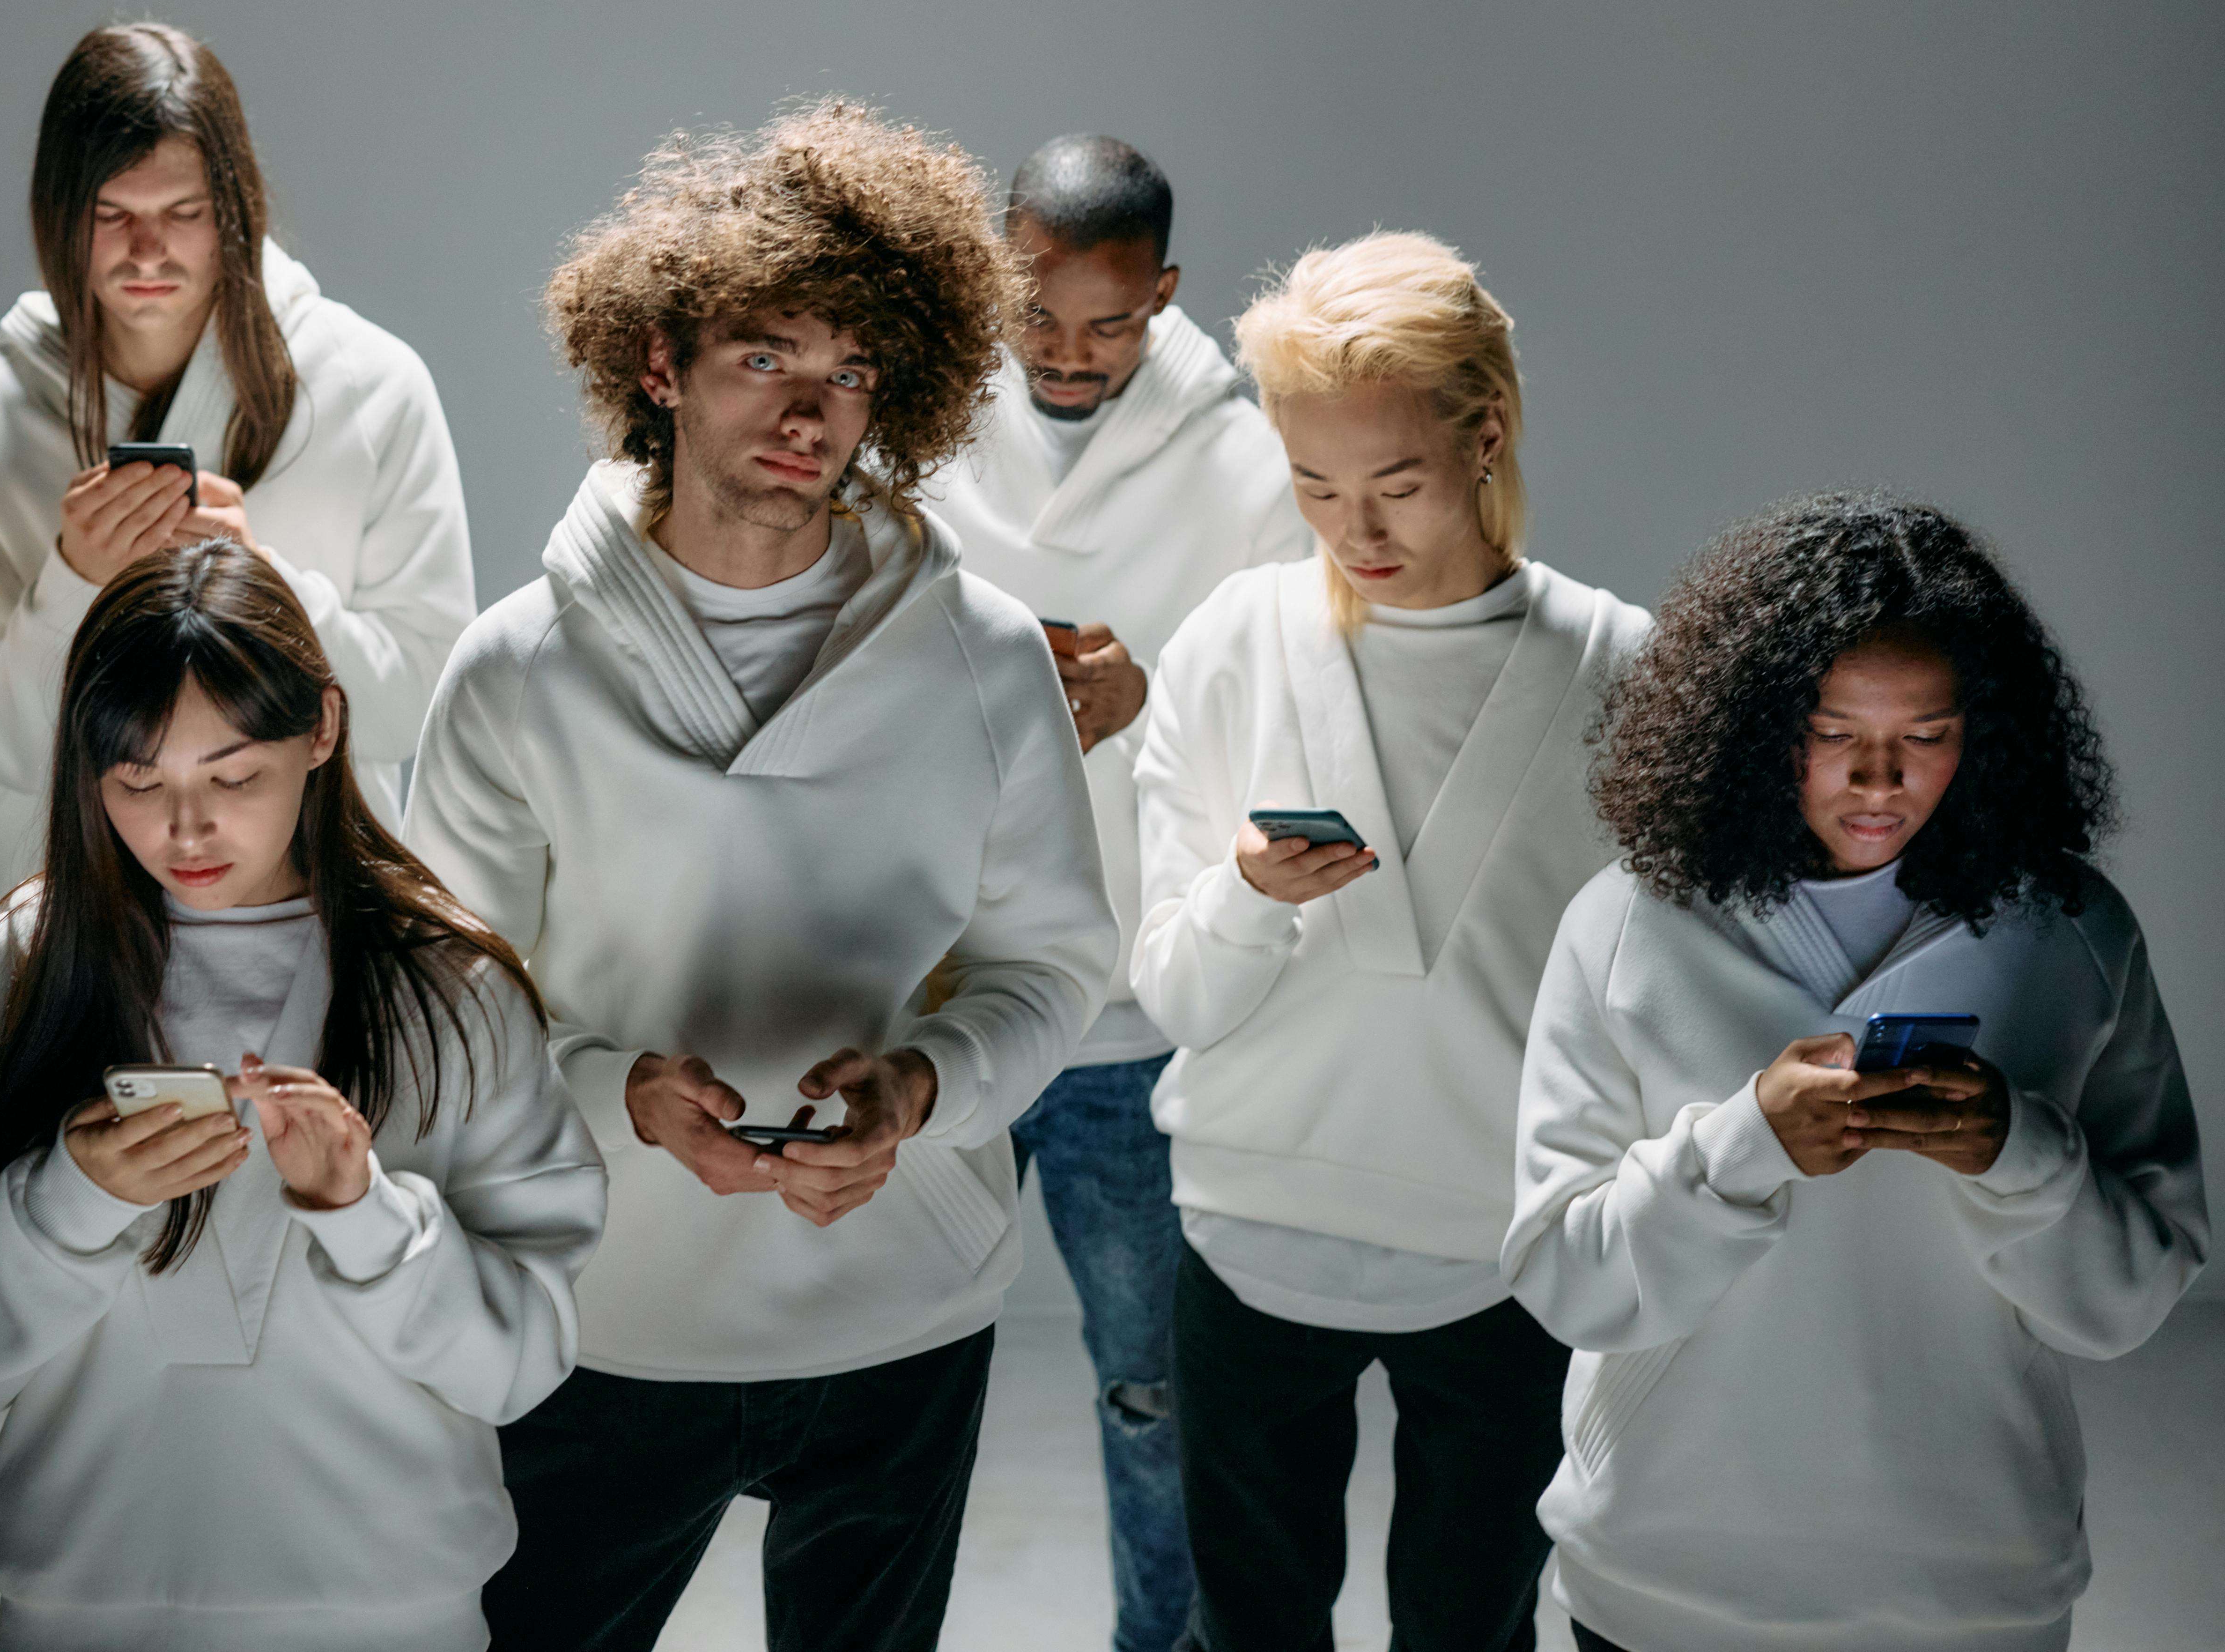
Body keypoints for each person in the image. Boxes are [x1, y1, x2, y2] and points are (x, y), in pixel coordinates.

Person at [409, 102, 1117, 1652]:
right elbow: (437, 1008)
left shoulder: (986, 658)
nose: (812, 411)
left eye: (851, 372)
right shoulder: (515, 672)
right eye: (765, 359)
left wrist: (922, 1091)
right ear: (655, 363)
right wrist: (616, 1097)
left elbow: (1052, 964)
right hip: (600, 1315)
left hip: (902, 1307)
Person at [0, 540, 603, 1651]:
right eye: (137, 781)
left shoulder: (451, 981)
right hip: (79, 1610)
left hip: (387, 1612)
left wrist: (368, 1213)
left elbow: (518, 1365)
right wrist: (68, 1197)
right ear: (83, 768)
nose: (185, 829)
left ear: (323, 728)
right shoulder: (19, 968)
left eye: (232, 775)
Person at [1505, 493, 2204, 1652]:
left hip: (1970, 1595)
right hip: (1659, 1585)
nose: (1877, 779)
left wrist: (2015, 1151)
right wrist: (1741, 1147)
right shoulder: (1626, 922)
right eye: (1830, 732)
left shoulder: (2074, 932)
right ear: (1751, 724)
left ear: (1982, 732)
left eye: (1925, 735)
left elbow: (2127, 1305)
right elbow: (1562, 1278)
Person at [1130, 231, 1649, 1652]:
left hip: (1507, 1249)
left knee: (1469, 1627)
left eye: (1397, 485)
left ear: (1487, 434)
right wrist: (1246, 889)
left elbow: (1655, 1012)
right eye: (1312, 487)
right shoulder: (1230, 642)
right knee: (1252, 1627)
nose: (1355, 529)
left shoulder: (1620, 671)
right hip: (1249, 1230)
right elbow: (1171, 987)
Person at [921, 133, 1303, 1652]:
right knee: (889, 1389)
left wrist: (1157, 696)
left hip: (1139, 1021)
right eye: (1034, 315)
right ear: (994, 279)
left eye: (1106, 321)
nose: (1066, 357)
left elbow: (1293, 717)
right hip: (942, 991)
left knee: (1153, 1389)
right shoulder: (925, 421)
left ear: (1164, 295)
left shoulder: (1248, 467)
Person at [0, 22, 474, 885]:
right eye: (112, 217)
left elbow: (422, 712)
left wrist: (263, 582)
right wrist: (73, 580)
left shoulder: (373, 386)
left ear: (235, 211)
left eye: (184, 214)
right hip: (78, 903)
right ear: (61, 216)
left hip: (315, 891)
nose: (149, 252)